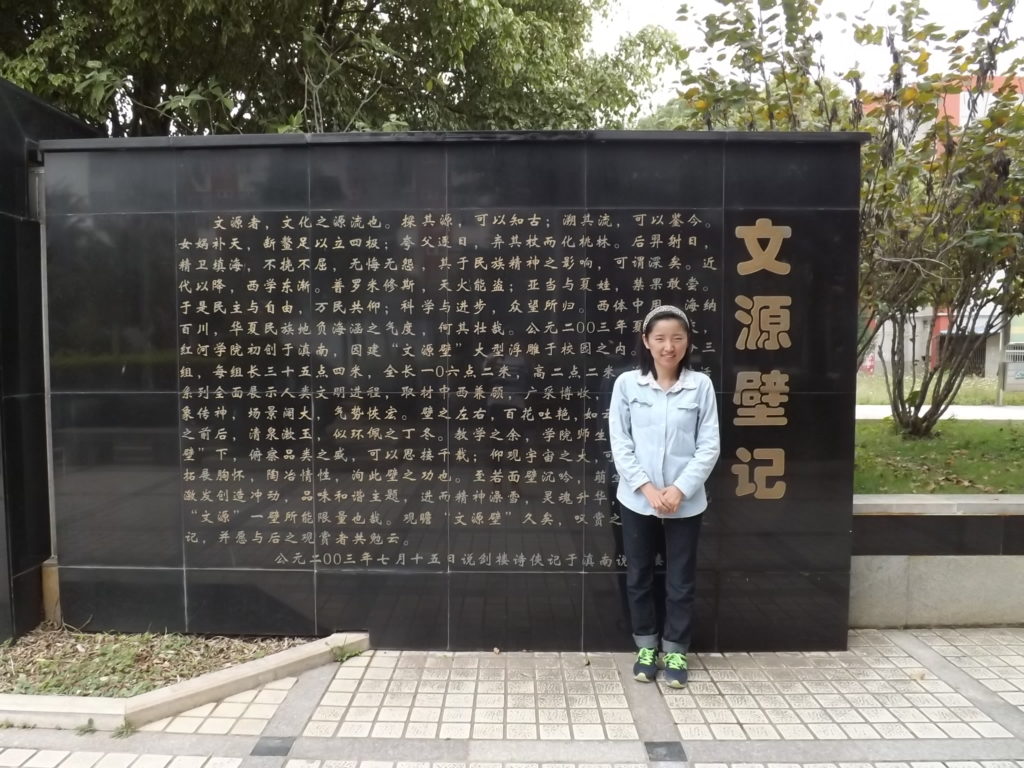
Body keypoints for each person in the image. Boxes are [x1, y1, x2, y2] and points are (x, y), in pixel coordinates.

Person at [608, 305, 720, 687]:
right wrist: (648, 489)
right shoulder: (627, 385)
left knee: (680, 579)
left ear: (687, 342)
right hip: (638, 498)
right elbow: (620, 443)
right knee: (639, 575)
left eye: (677, 338)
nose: (668, 346)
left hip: (685, 502)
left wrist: (678, 490)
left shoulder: (700, 386)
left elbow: (709, 446)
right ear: (646, 342)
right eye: (660, 338)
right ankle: (645, 646)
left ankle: (675, 648)